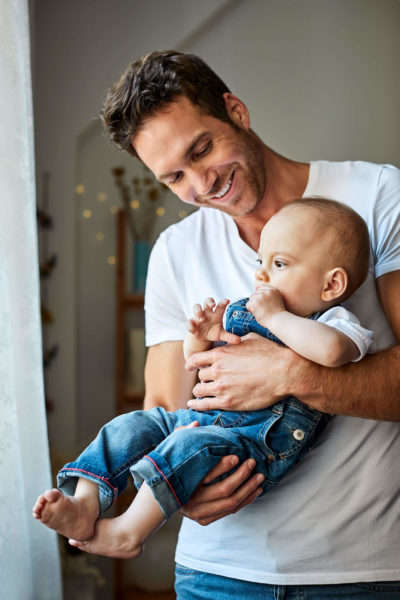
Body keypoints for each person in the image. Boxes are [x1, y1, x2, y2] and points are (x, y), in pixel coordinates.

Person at [50, 50, 400, 597]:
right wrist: (181, 490)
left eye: (202, 149)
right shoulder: (175, 251)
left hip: (360, 572)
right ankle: (88, 500)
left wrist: (287, 375)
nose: (202, 185)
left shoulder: (375, 198)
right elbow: (167, 403)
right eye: (174, 177)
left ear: (236, 111)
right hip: (215, 574)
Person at [33, 198, 374, 560]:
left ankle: (130, 531)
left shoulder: (335, 322)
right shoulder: (249, 308)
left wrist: (275, 319)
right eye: (261, 261)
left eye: (279, 263)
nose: (260, 275)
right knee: (131, 426)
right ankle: (86, 502)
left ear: (331, 284)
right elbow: (193, 361)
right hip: (204, 420)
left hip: (257, 445)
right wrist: (200, 333)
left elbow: (331, 353)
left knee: (187, 446)